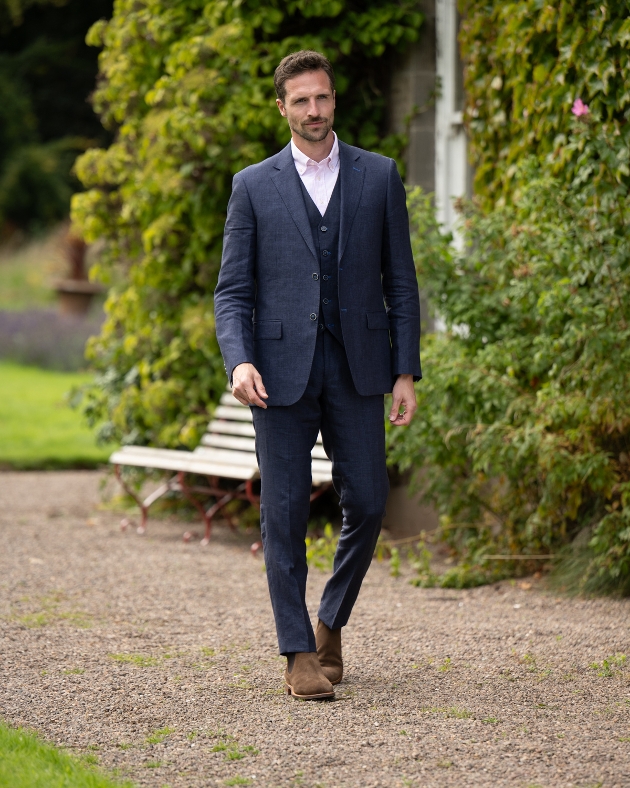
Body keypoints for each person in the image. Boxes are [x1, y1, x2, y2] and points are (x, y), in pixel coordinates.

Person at [214, 50, 421, 700]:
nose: (314, 111)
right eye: (301, 101)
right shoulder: (254, 185)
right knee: (282, 514)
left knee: (367, 500)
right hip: (277, 374)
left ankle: (330, 619)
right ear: (282, 107)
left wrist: (405, 372)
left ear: (335, 101)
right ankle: (297, 652)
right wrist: (239, 358)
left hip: (360, 369)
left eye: (322, 98)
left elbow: (403, 285)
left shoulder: (379, 176)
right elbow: (232, 292)